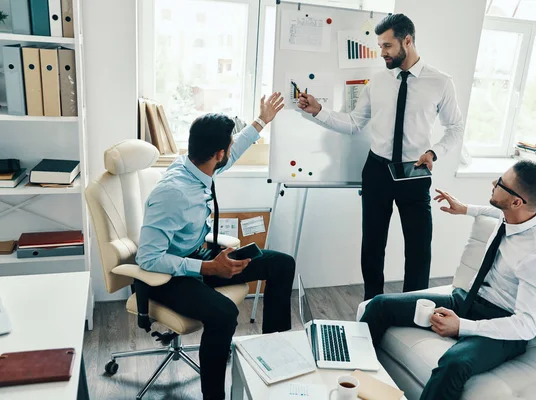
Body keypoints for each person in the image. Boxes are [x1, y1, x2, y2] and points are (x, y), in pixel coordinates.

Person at [136, 93, 295, 400]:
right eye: (228, 147)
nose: (230, 153)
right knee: (223, 314)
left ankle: (274, 357)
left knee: (281, 263)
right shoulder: (173, 193)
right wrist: (208, 267)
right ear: (218, 153)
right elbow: (148, 258)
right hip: (169, 277)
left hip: (200, 256)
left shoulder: (199, 166)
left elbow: (233, 154)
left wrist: (262, 120)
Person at [297, 13, 464, 300]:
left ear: (407, 41)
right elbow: (354, 123)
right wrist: (319, 112)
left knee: (419, 247)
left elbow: (456, 127)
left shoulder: (441, 82)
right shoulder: (377, 82)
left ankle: (413, 308)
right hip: (376, 170)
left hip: (414, 171)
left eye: (387, 46)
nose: (382, 52)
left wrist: (435, 152)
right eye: (379, 45)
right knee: (372, 246)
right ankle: (373, 305)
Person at [360, 160, 536, 400]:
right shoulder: (512, 215)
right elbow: (493, 210)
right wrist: (465, 208)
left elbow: (526, 325)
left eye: (501, 183)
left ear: (517, 201)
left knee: (454, 362)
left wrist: (462, 326)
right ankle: (353, 379)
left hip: (504, 327)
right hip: (468, 301)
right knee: (379, 305)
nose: (493, 183)